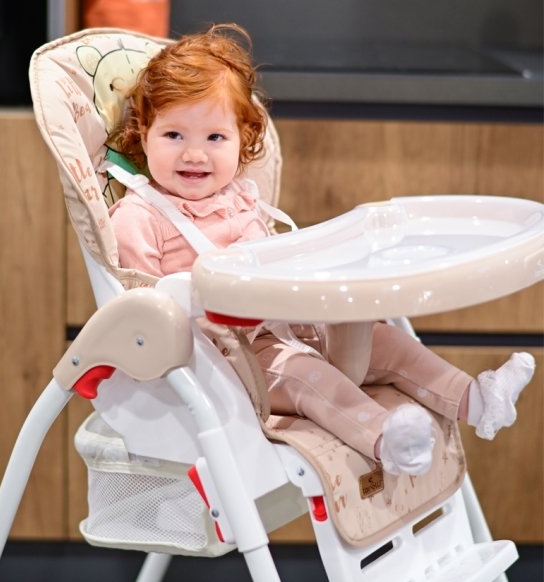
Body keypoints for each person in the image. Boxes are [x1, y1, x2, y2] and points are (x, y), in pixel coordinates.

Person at [109, 23, 536, 476]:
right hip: (226, 364)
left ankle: (478, 400)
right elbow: (146, 314)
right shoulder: (140, 217)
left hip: (290, 326)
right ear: (144, 133)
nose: (194, 154)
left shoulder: (242, 199)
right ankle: (387, 440)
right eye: (174, 135)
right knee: (307, 376)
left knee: (383, 339)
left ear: (242, 141)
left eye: (215, 138)